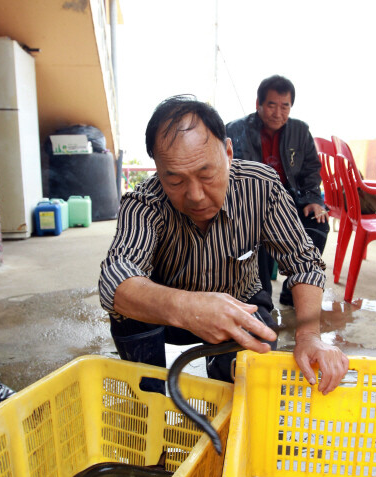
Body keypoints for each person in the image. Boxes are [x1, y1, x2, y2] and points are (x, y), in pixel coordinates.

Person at [99, 95, 348, 394]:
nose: (195, 196)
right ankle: (149, 399)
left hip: (239, 303)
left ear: (229, 153)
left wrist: (309, 335)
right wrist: (187, 306)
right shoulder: (144, 202)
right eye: (175, 181)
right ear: (157, 170)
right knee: (129, 322)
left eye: (207, 174)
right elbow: (115, 278)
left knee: (251, 371)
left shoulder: (262, 187)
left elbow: (303, 262)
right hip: (164, 313)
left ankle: (227, 392)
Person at [226, 75, 329, 305]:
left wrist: (314, 199)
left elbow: (312, 169)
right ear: (258, 104)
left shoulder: (300, 131)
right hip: (252, 204)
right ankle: (259, 297)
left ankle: (293, 291)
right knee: (252, 235)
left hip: (292, 202)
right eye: (272, 105)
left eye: (285, 106)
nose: (278, 112)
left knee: (318, 222)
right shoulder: (235, 129)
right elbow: (228, 172)